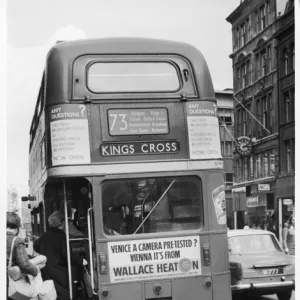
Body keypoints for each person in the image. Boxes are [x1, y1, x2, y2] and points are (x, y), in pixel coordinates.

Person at [34, 211, 88, 300]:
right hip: (59, 272)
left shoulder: (44, 235)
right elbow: (67, 256)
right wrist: (81, 261)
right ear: (62, 222)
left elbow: (36, 246)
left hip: (47, 272)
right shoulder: (61, 236)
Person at [6, 212, 40, 300]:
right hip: (9, 282)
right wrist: (35, 271)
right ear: (17, 227)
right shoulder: (16, 241)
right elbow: (24, 264)